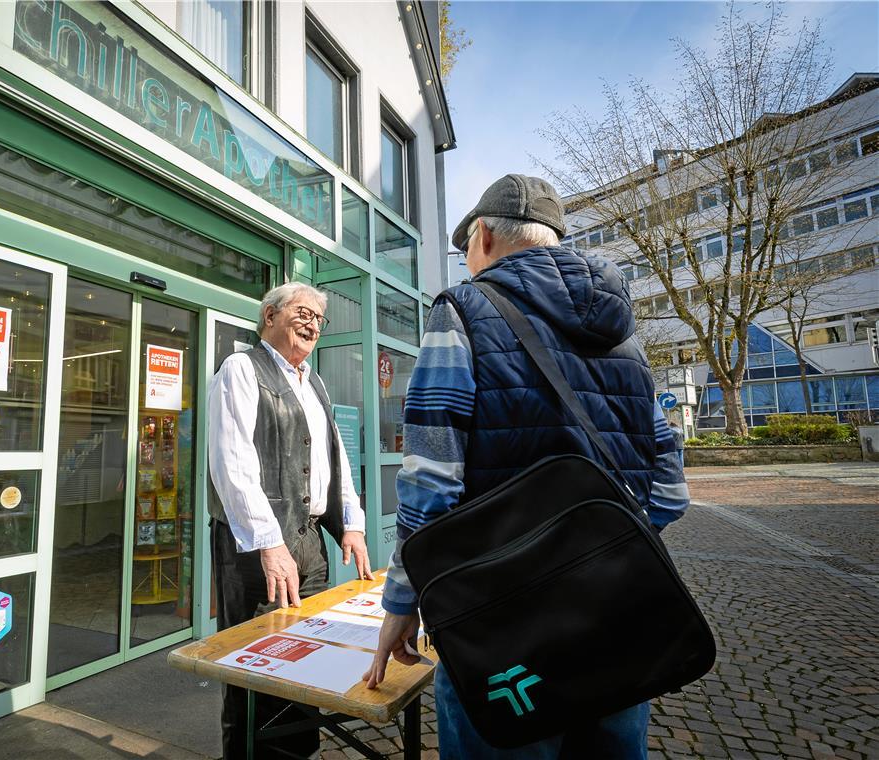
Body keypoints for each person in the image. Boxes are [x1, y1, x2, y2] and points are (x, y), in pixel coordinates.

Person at [363, 174, 691, 758]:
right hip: (618, 612)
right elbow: (668, 490)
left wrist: (403, 602)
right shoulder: (626, 337)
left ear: (484, 236)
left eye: (466, 246)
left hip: (504, 623)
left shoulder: (462, 311)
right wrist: (601, 549)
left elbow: (431, 483)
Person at [208, 282, 373, 759]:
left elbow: (333, 461)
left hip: (309, 544)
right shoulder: (241, 369)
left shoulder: (314, 382)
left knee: (306, 655)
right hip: (256, 547)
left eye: (319, 318)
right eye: (303, 313)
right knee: (255, 663)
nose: (312, 324)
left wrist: (352, 524)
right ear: (270, 316)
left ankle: (299, 753)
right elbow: (232, 465)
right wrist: (269, 541)